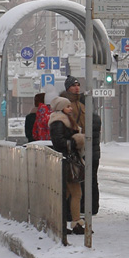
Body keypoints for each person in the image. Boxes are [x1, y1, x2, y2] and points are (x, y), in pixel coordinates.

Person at [61, 76, 101, 215]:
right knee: (74, 181)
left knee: (89, 179)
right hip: (74, 149)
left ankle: (88, 208)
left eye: (78, 85)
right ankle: (74, 211)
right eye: (73, 85)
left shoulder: (83, 106)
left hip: (88, 149)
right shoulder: (65, 105)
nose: (76, 87)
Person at [47, 96, 85, 235]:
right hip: (66, 161)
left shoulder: (65, 120)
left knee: (67, 194)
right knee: (76, 193)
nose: (70, 108)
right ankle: (75, 223)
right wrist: (75, 141)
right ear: (60, 107)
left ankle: (61, 222)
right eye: (67, 106)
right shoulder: (58, 121)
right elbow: (59, 142)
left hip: (68, 160)